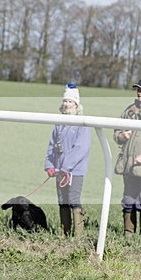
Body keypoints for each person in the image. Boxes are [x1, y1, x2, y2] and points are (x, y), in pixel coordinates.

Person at [44, 84, 91, 237]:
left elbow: (80, 149)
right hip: (59, 170)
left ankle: (78, 236)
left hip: (74, 171)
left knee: (73, 200)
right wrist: (49, 165)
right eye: (65, 101)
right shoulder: (59, 124)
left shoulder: (82, 124)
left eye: (70, 102)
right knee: (62, 200)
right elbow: (52, 145)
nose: (66, 104)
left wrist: (66, 167)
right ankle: (65, 233)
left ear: (76, 104)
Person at [113, 77, 141, 236]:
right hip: (128, 165)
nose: (139, 92)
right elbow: (116, 132)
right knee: (128, 200)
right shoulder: (129, 111)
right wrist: (121, 136)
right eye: (137, 89)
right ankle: (128, 235)